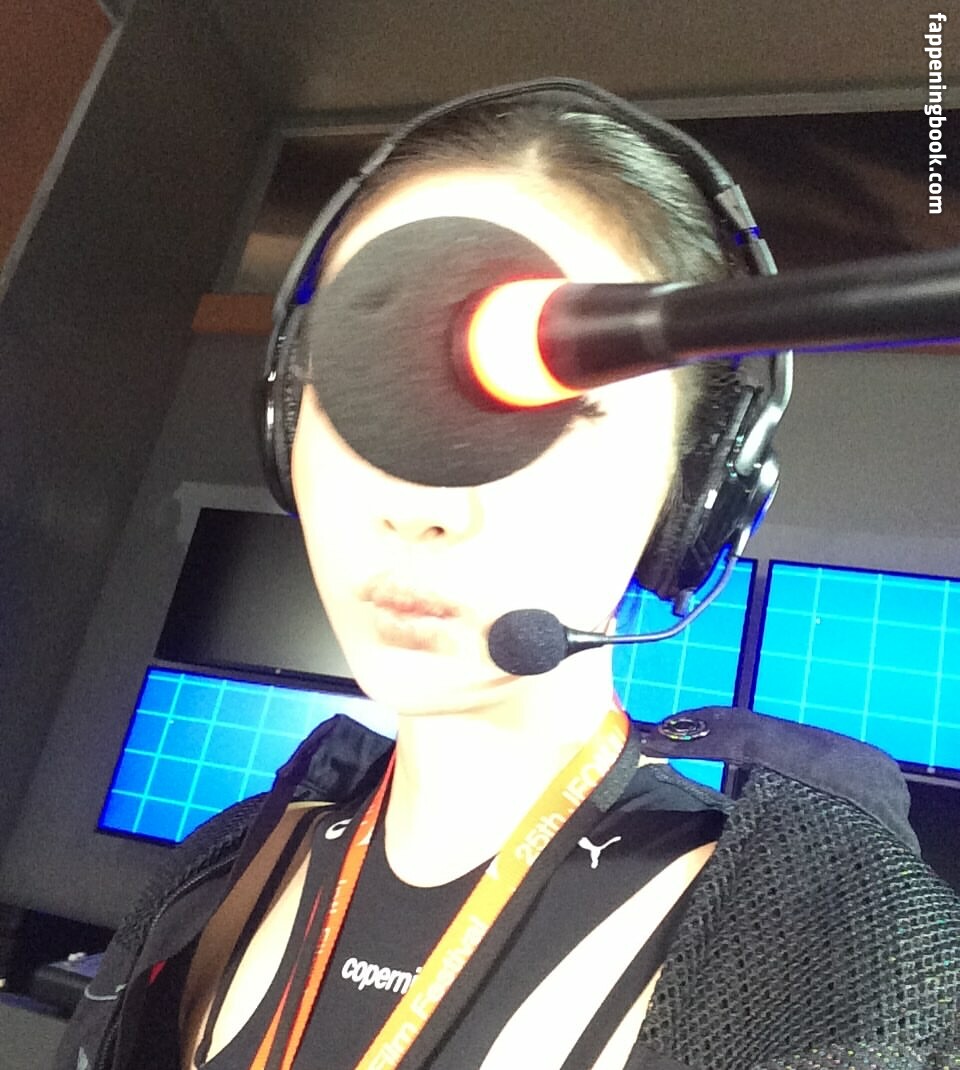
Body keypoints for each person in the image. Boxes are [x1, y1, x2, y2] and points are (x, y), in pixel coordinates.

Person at [58, 80, 958, 1070]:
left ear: (698, 490)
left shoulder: (851, 983)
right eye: (368, 385)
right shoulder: (213, 878)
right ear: (284, 419)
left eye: (553, 413)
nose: (421, 504)